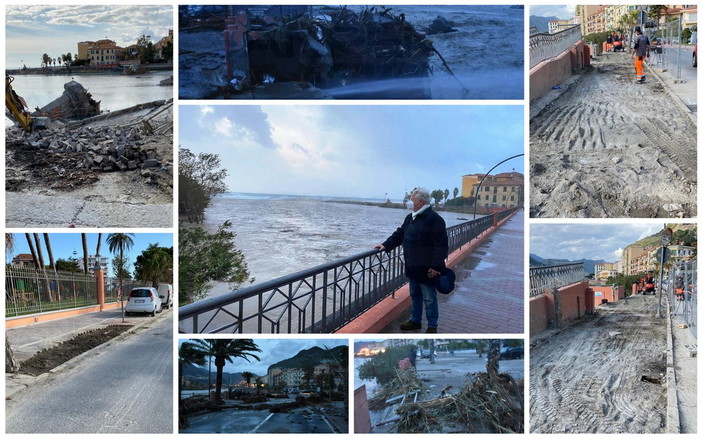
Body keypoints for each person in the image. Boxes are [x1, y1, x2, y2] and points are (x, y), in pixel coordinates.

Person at [375, 187, 448, 333]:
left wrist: (435, 266)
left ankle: (432, 326)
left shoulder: (434, 219)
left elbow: (441, 245)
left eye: (412, 199)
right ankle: (415, 321)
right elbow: (400, 233)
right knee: (415, 295)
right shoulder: (411, 217)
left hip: (427, 268)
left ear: (421, 201)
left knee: (429, 298)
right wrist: (385, 245)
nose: (410, 202)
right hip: (412, 265)